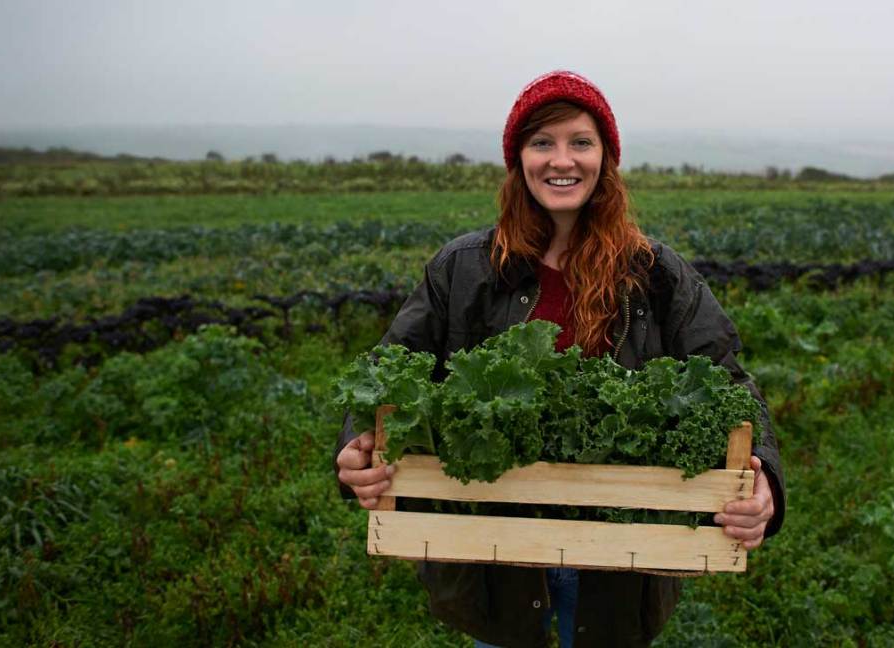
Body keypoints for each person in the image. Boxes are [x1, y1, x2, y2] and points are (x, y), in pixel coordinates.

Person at [335, 70, 786, 648]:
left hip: (620, 561)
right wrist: (355, 445)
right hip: (493, 557)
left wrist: (765, 479)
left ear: (606, 157)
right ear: (518, 158)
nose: (560, 160)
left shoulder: (657, 274)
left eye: (580, 141)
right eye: (541, 142)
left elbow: (728, 381)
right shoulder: (463, 269)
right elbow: (387, 369)